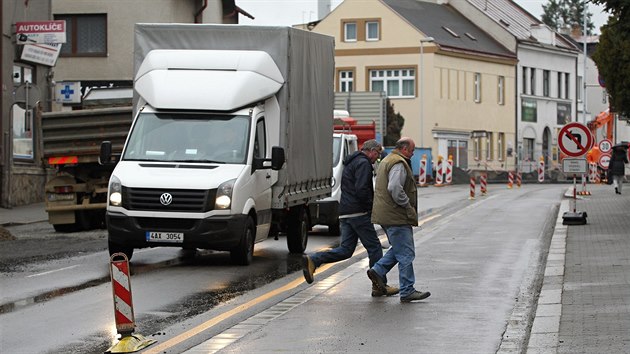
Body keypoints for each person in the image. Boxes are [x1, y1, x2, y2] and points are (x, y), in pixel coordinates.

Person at [302, 139, 399, 297]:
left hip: (345, 212)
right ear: (372, 150)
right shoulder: (363, 163)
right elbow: (362, 189)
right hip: (358, 213)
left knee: (346, 250)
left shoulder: (351, 161)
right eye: (377, 154)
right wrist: (371, 208)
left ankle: (314, 260)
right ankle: (379, 285)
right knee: (374, 248)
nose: (377, 158)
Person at [366, 137, 431, 303]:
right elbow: (395, 188)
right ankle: (407, 290)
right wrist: (407, 206)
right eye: (412, 150)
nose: (413, 153)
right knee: (406, 253)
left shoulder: (387, 159)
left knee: (400, 248)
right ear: (403, 149)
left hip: (386, 214)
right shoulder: (398, 163)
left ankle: (378, 270)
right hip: (396, 215)